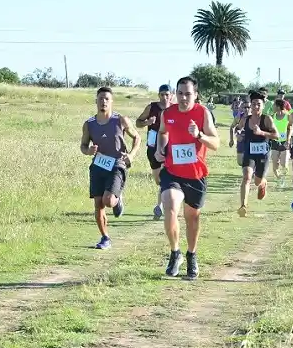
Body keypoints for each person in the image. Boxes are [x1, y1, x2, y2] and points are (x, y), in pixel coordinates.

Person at [155, 76, 220, 279]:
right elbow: (163, 132)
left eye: (188, 94)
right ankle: (175, 253)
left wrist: (199, 135)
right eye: (180, 93)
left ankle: (191, 255)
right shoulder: (169, 113)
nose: (184, 98)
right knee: (170, 203)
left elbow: (216, 143)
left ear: (196, 95)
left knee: (192, 218)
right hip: (173, 171)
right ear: (176, 94)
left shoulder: (202, 113)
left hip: (195, 174)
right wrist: (160, 148)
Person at [81, 87, 141, 249]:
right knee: (98, 203)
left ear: (111, 101)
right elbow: (83, 146)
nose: (103, 102)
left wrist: (132, 155)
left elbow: (137, 137)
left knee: (108, 201)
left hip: (117, 164)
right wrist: (88, 151)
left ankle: (117, 197)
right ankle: (105, 237)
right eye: (100, 98)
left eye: (107, 99)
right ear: (96, 101)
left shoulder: (121, 120)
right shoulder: (89, 124)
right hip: (98, 165)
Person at [231, 91, 279, 217]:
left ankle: (263, 183)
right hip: (249, 152)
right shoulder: (245, 119)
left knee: (257, 181)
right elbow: (238, 128)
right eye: (253, 104)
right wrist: (239, 135)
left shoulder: (267, 119)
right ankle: (243, 206)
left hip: (263, 154)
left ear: (263, 106)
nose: (256, 107)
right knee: (246, 177)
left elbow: (276, 135)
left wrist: (262, 133)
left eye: (258, 104)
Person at [135, 84, 174, 220]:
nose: (165, 97)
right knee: (158, 180)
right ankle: (163, 203)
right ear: (158, 95)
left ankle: (160, 206)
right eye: (162, 94)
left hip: (169, 146)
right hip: (152, 147)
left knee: (165, 178)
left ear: (171, 96)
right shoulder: (151, 107)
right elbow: (138, 122)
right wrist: (148, 122)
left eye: (167, 94)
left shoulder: (174, 109)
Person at [269, 99, 293, 186]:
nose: (272, 107)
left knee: (284, 164)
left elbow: (290, 128)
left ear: (278, 107)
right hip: (275, 142)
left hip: (284, 142)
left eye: (274, 105)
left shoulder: (287, 116)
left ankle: (283, 179)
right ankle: (279, 178)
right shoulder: (272, 116)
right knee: (275, 166)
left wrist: (288, 140)